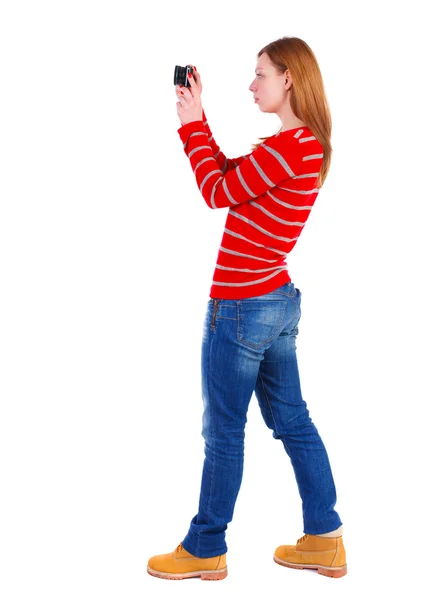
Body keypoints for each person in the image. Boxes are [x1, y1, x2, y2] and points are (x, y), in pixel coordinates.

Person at [147, 36, 346, 581]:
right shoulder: (299, 147)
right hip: (274, 300)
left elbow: (215, 190)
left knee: (224, 432)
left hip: (243, 308)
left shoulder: (289, 148)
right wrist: (199, 118)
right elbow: (231, 177)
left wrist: (190, 127)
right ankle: (325, 540)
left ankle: (205, 547)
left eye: (260, 74)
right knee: (293, 422)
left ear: (289, 79)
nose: (252, 84)